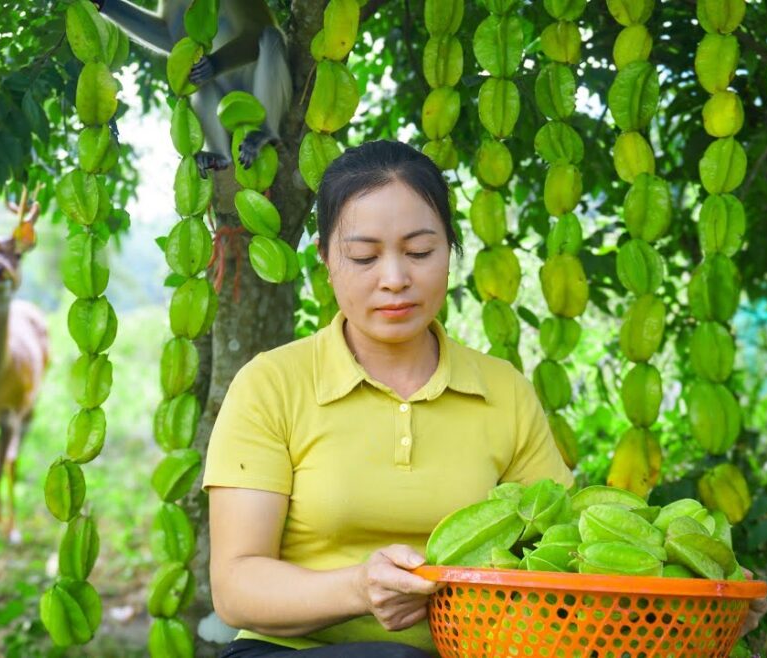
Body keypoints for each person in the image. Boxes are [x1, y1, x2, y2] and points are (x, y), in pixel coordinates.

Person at [202, 139, 575, 657]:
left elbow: (568, 548)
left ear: (450, 251)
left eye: (420, 252)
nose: (395, 279)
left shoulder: (504, 389)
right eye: (363, 256)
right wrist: (359, 588)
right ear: (327, 260)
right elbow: (236, 588)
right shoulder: (270, 385)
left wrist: (704, 577)